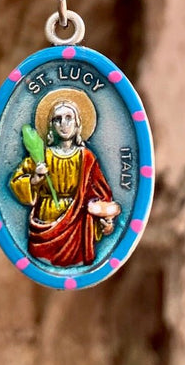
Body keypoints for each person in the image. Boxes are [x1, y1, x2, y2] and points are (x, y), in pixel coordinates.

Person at [10, 94, 116, 267]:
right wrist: (35, 179)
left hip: (77, 224)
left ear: (77, 124)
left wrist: (106, 218)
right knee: (42, 261)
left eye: (68, 118)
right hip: (45, 219)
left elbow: (101, 193)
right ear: (51, 126)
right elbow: (16, 182)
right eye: (57, 119)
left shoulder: (87, 158)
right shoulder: (42, 157)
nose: (63, 124)